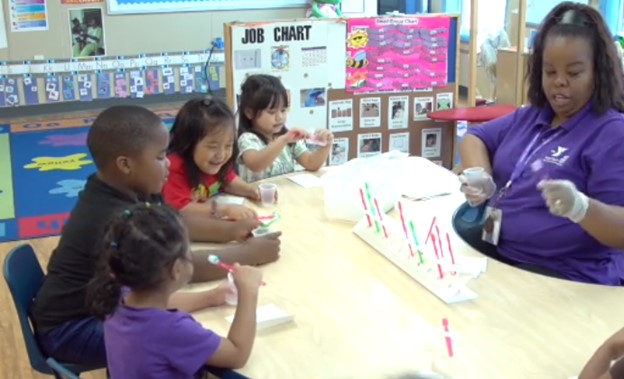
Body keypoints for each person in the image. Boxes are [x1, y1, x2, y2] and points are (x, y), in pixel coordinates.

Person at [31, 105, 280, 367]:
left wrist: (229, 231)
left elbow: (175, 223)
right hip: (70, 330)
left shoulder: (123, 185)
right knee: (188, 348)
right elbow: (178, 267)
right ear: (126, 164)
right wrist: (249, 255)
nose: (170, 164)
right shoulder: (113, 218)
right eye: (161, 157)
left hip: (103, 307)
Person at [457, 2, 624, 285]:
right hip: (504, 255)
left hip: (565, 275)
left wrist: (581, 208)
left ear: (598, 73)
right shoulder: (532, 114)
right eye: (549, 72)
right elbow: (475, 137)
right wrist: (481, 176)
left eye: (573, 73)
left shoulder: (611, 133)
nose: (559, 82)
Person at [87, 204, 262, 378]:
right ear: (176, 269)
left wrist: (210, 297)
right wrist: (249, 290)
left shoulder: (117, 296)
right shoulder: (172, 330)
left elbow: (160, 304)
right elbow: (236, 354)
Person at [163, 97, 263, 233]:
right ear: (188, 143)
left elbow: (228, 180)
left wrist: (251, 190)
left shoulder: (213, 163)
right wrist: (224, 210)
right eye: (212, 146)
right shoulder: (174, 168)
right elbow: (181, 210)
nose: (221, 155)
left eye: (228, 145)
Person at [237, 74, 334, 182]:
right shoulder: (248, 139)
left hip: (286, 196)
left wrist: (326, 145)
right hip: (259, 197)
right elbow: (256, 164)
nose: (280, 117)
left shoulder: (288, 138)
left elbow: (311, 163)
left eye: (283, 110)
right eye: (272, 112)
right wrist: (283, 140)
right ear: (249, 112)